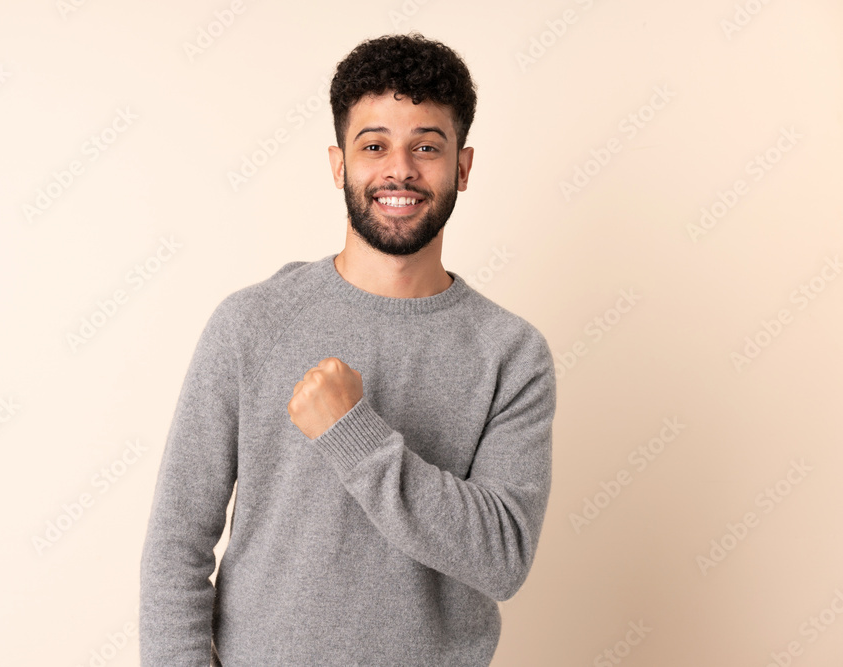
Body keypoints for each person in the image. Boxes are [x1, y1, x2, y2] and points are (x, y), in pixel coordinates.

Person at [139, 32, 556, 666]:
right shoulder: (251, 324)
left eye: (426, 147)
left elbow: (501, 559)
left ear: (462, 168)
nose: (400, 170)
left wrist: (351, 434)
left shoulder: (511, 354)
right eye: (374, 146)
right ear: (339, 165)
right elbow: (175, 548)